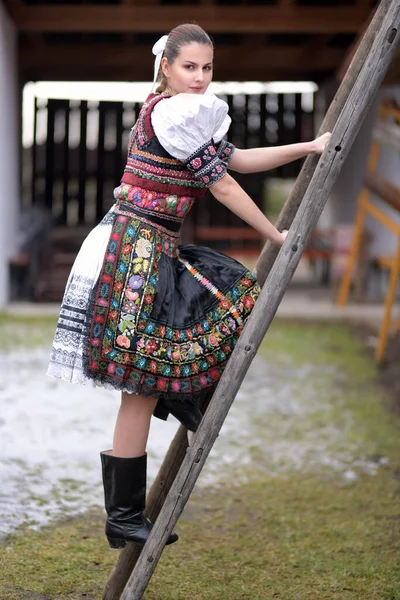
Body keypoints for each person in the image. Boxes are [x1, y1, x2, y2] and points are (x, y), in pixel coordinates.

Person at [46, 23, 331, 550]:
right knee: (138, 389)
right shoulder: (171, 112)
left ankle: (181, 397)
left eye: (207, 68)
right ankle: (124, 514)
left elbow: (237, 161)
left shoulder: (182, 113)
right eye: (189, 67)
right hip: (131, 252)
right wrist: (276, 233)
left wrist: (309, 146)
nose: (199, 78)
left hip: (154, 248)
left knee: (228, 294)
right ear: (167, 68)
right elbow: (222, 184)